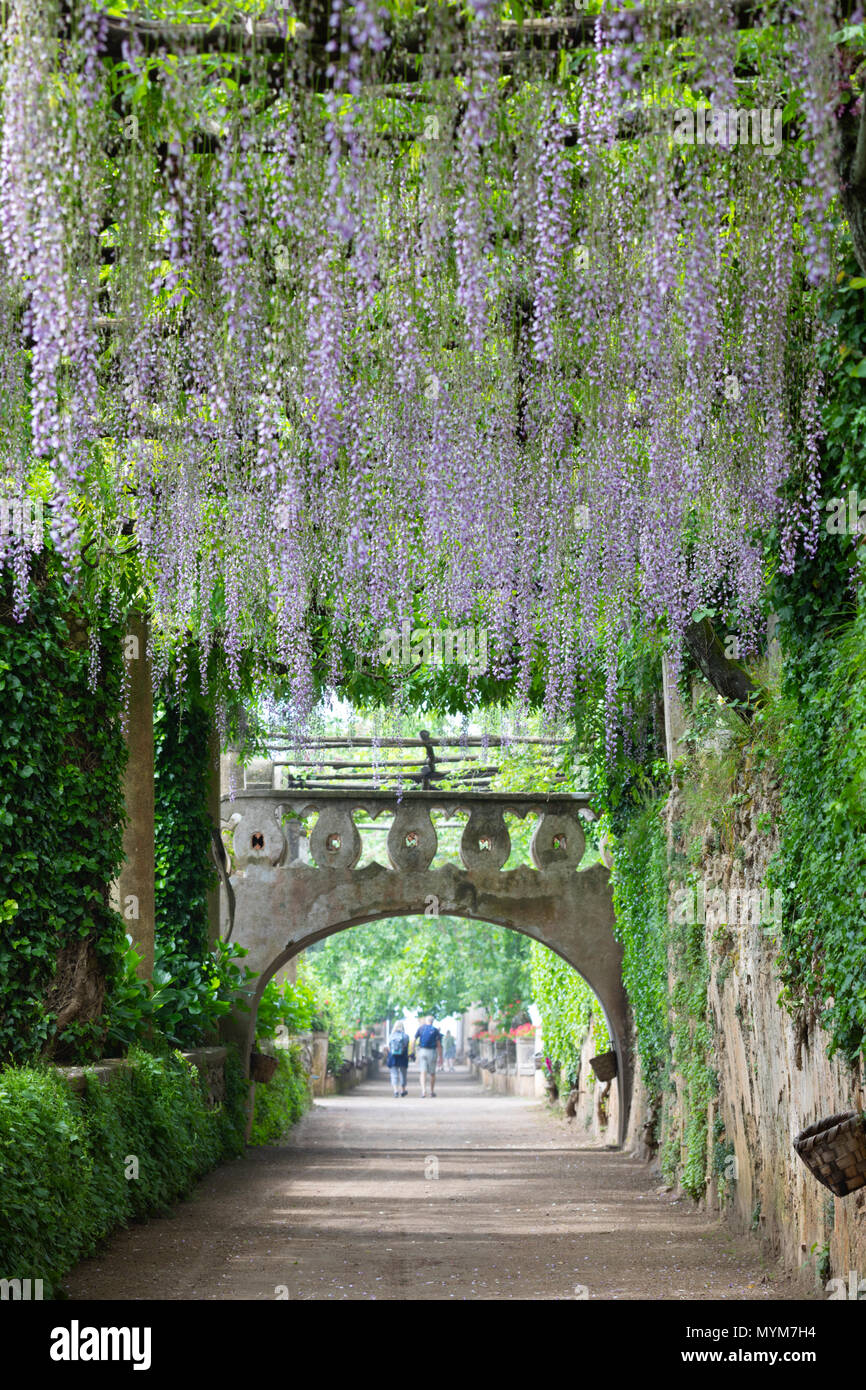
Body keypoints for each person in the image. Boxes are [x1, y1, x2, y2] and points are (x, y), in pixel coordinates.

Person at [414, 1014, 443, 1097]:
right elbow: (438, 1044)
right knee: (432, 1073)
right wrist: (440, 1057)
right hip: (432, 1052)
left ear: (426, 1021)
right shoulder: (435, 1030)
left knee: (423, 1072)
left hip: (422, 1051)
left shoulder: (421, 1028)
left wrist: (413, 1052)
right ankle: (432, 1091)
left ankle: (423, 1091)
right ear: (432, 1021)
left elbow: (414, 1039)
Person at [386, 1020, 410, 1097]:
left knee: (394, 1074)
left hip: (393, 1057)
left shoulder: (391, 1036)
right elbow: (406, 1047)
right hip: (403, 1057)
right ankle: (403, 1090)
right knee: (403, 1074)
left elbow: (388, 1047)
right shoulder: (406, 1036)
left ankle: (396, 1091)